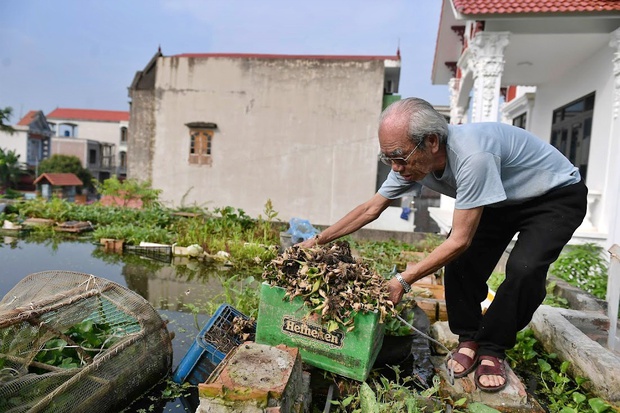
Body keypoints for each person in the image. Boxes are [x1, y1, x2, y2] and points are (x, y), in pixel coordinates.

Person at [298, 97, 587, 392]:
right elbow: (371, 208)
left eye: (399, 157)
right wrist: (317, 240)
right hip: (502, 196)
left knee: (525, 268)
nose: (396, 168)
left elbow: (460, 240)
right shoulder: (411, 163)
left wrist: (402, 281)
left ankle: (493, 348)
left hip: (555, 195)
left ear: (432, 142)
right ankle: (470, 338)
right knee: (461, 264)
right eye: (388, 159)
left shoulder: (473, 157)